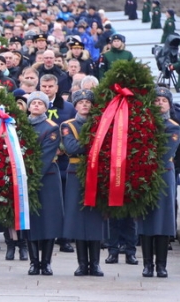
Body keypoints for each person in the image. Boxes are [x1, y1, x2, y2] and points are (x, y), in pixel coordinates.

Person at [61, 89, 105, 277]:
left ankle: (95, 264)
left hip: (97, 174)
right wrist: (93, 143)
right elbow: (71, 148)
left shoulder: (101, 124)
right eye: (81, 102)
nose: (85, 105)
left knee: (95, 217)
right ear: (75, 105)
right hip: (76, 172)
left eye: (88, 102)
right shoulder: (67, 125)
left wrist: (87, 146)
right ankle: (82, 263)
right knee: (78, 218)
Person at [138, 87, 180, 278]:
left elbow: (166, 152)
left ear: (169, 104)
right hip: (144, 175)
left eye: (164, 100)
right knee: (146, 219)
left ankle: (161, 265)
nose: (160, 103)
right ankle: (147, 264)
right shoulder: (141, 125)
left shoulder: (173, 126)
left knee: (163, 220)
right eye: (156, 100)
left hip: (163, 174)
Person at [26, 91, 62, 276]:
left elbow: (45, 156)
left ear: (46, 107)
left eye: (41, 103)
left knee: (49, 220)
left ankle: (46, 262)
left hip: (46, 177)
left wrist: (31, 178)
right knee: (29, 220)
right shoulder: (20, 126)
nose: (37, 105)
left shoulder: (51, 127)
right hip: (25, 178)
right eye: (34, 103)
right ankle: (33, 262)